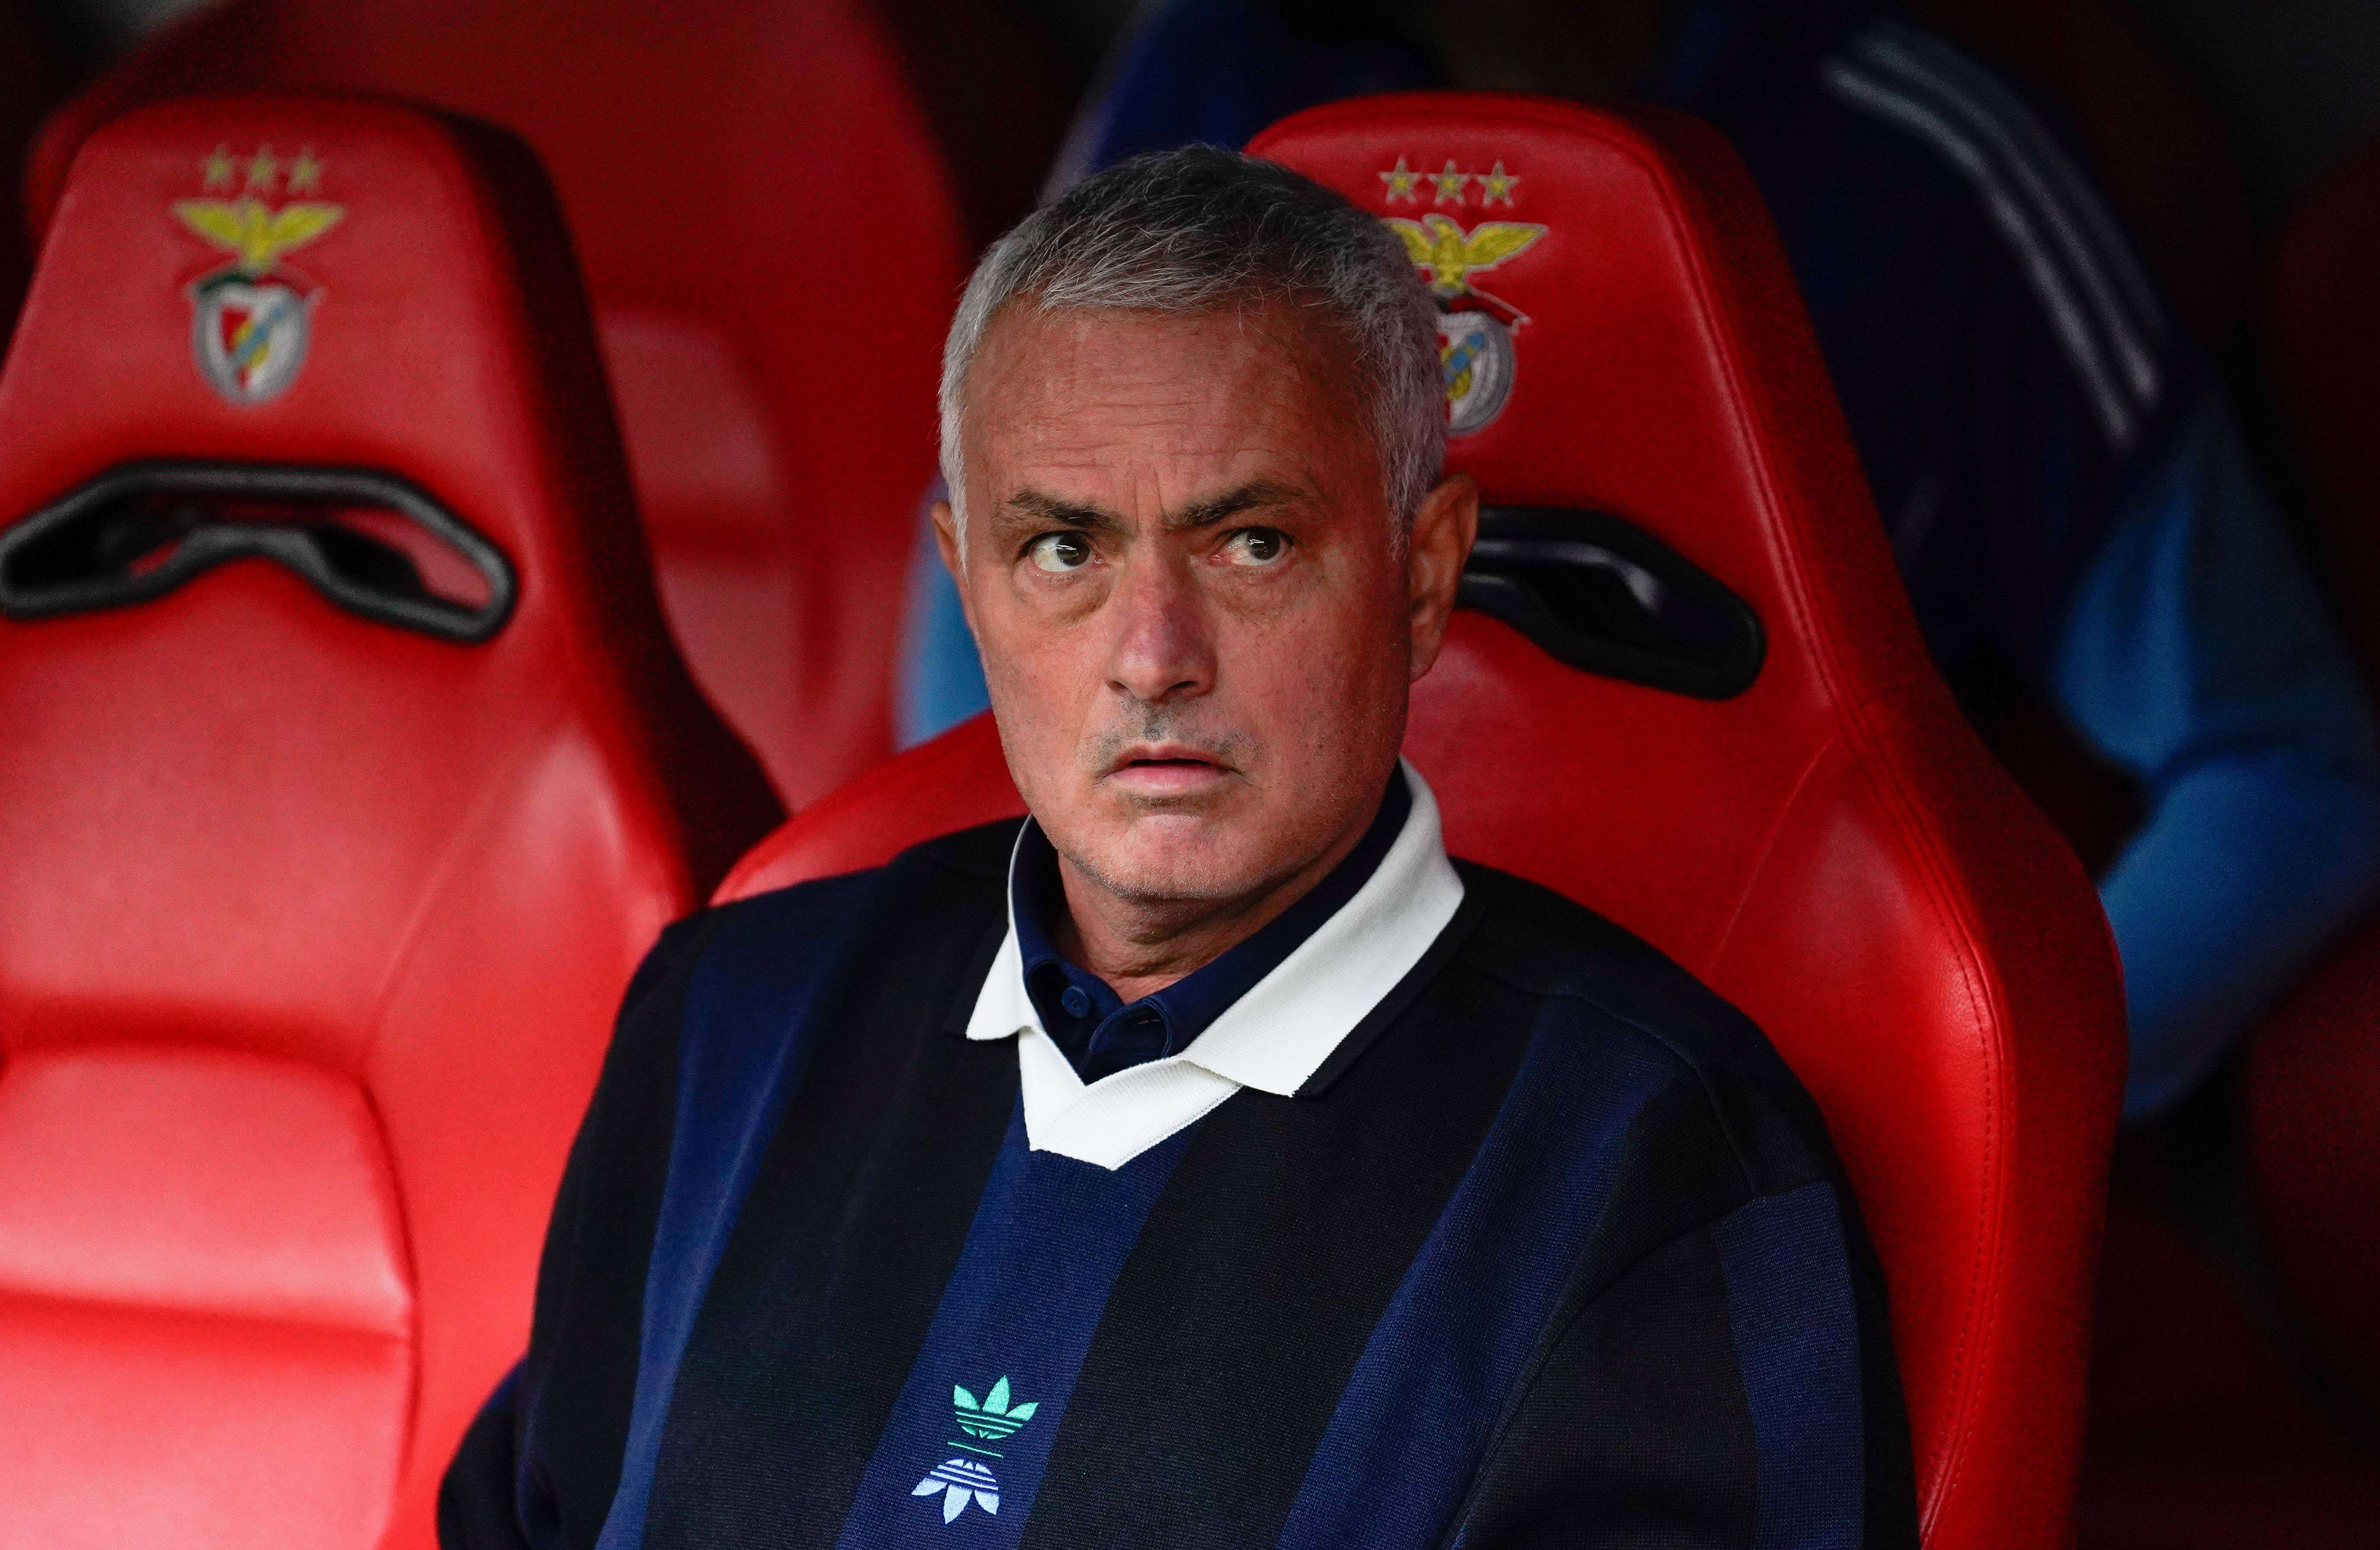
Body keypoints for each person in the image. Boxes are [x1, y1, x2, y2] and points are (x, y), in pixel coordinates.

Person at [443, 147, 1920, 1550]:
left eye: (1252, 544)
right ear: (968, 581)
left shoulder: (1655, 1163)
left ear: (1422, 576)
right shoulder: (730, 1020)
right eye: (1063, 551)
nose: (1153, 656)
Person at [899, 0, 2380, 1126]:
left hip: (1707, 1133)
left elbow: (2289, 772)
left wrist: (1902, 1134)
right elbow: (993, 642)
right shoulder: (1208, 87)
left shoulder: (1915, 165)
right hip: (1240, 1082)